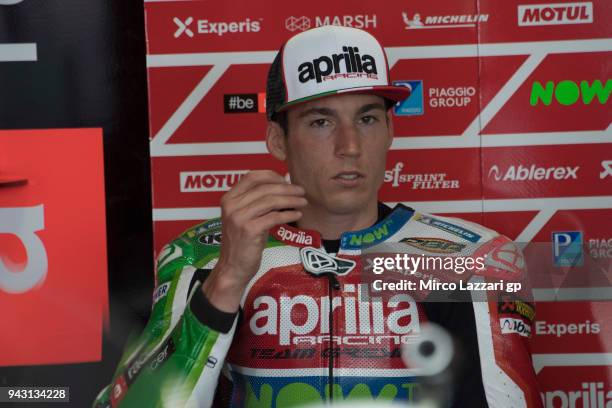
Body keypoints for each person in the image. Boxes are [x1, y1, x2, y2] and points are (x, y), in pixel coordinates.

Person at [94, 26, 542, 408]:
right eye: (320, 122)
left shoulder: (471, 259)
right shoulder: (201, 254)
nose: (349, 146)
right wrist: (227, 280)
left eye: (367, 118)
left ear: (390, 130)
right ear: (277, 139)